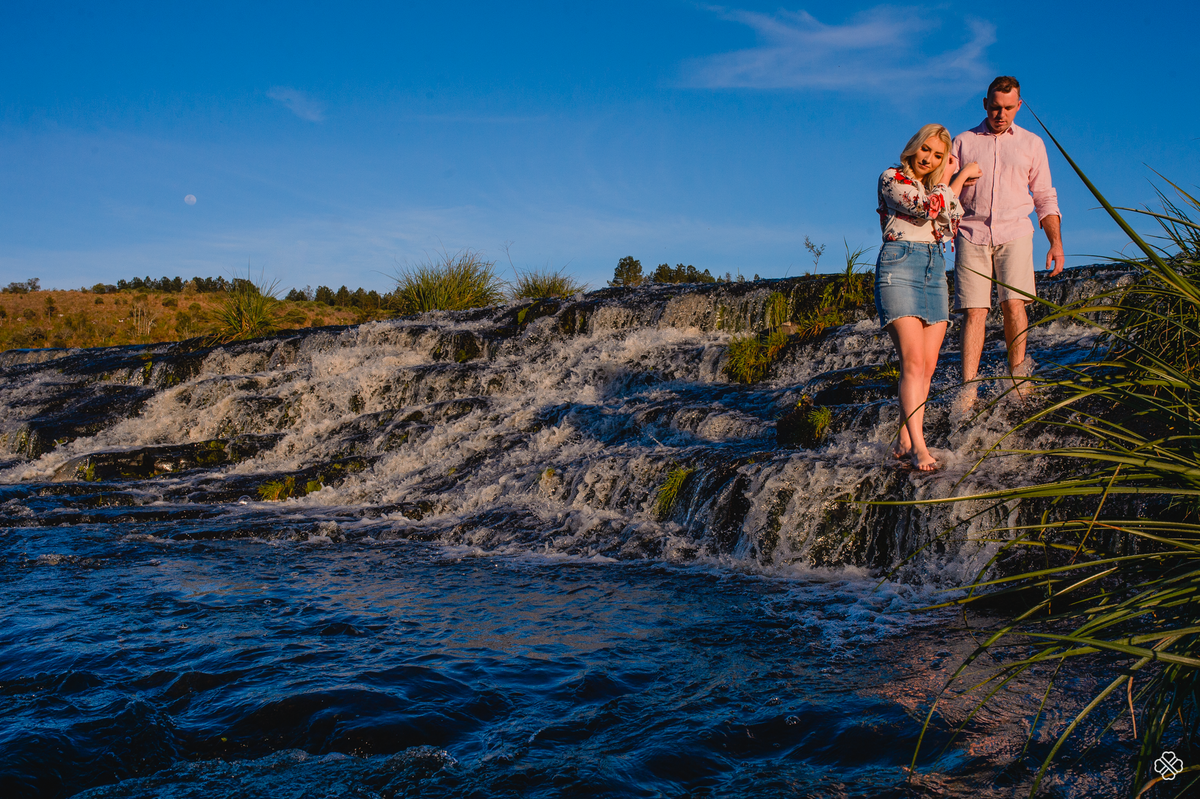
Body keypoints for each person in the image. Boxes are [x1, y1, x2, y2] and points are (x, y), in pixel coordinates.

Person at [876, 124, 982, 470]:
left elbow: (951, 221)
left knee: (930, 364)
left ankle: (905, 437)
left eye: (938, 155)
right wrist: (956, 174)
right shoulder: (892, 178)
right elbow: (927, 208)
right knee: (914, 362)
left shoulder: (935, 187)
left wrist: (948, 186)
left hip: (935, 270)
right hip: (900, 266)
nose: (930, 158)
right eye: (926, 150)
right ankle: (919, 447)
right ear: (914, 148)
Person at [952, 76, 1064, 394]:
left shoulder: (1032, 144)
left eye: (1008, 108)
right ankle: (968, 389)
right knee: (974, 311)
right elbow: (946, 192)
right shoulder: (963, 142)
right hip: (970, 233)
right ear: (985, 103)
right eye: (995, 107)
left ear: (1019, 106)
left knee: (1014, 304)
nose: (1001, 114)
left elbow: (1044, 196)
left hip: (1015, 231)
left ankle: (1018, 380)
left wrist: (1055, 243)